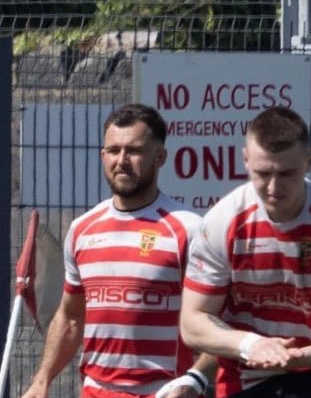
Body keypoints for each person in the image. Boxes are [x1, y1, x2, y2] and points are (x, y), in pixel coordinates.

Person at [181, 106, 311, 397]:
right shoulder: (222, 222)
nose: (274, 187)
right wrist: (251, 345)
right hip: (244, 374)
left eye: (287, 173)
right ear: (246, 160)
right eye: (263, 173)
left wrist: (294, 357)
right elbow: (193, 323)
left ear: (309, 161)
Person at [20, 104, 216, 398]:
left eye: (134, 151)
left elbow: (222, 321)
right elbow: (72, 317)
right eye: (113, 150)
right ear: (103, 156)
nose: (122, 161)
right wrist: (42, 378)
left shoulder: (188, 230)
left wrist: (194, 380)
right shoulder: (83, 229)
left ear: (160, 157)